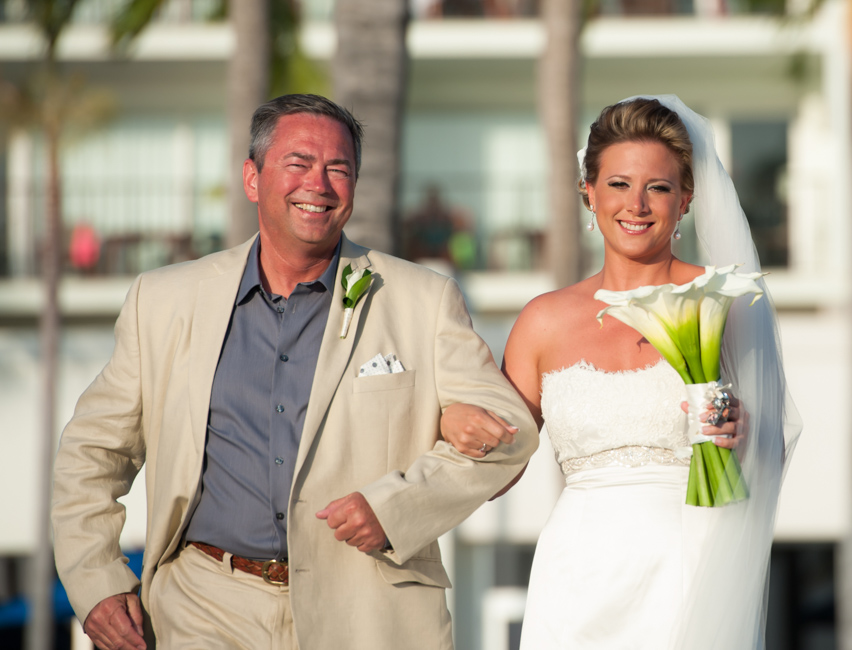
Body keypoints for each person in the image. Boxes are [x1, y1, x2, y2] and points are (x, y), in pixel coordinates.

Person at [51, 94, 538, 650]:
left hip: (367, 612)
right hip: (202, 606)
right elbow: (93, 451)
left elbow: (511, 433)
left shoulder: (422, 300)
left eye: (339, 169)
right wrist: (96, 582)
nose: (320, 184)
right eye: (299, 163)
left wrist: (398, 507)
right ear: (253, 178)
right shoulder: (162, 301)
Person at [442, 96, 801, 648]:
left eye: (658, 187)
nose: (637, 204)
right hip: (577, 577)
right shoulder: (544, 320)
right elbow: (499, 470)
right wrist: (455, 423)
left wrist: (744, 433)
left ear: (685, 200)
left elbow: (770, 452)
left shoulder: (727, 301)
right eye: (618, 184)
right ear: (589, 192)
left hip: (693, 566)